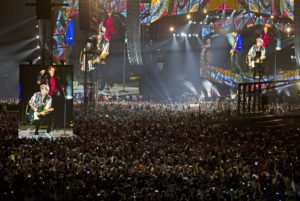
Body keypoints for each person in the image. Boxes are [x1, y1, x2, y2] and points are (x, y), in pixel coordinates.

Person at [37, 66, 65, 132]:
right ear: (49, 71)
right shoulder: (46, 77)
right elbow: (38, 82)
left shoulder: (57, 77)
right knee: (48, 112)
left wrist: (62, 90)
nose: (53, 71)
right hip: (48, 97)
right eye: (52, 70)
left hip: (55, 96)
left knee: (55, 112)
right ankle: (49, 126)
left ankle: (54, 126)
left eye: (54, 70)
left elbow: (61, 86)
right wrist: (40, 74)